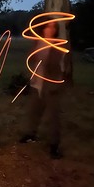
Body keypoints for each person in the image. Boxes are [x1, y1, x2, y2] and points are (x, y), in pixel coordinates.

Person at [19, 18, 70, 159]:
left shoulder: (58, 47)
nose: (51, 29)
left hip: (51, 86)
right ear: (43, 28)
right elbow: (31, 61)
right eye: (48, 26)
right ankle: (30, 134)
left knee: (53, 118)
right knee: (33, 112)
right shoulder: (37, 42)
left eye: (54, 27)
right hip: (37, 85)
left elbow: (60, 67)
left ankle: (54, 146)